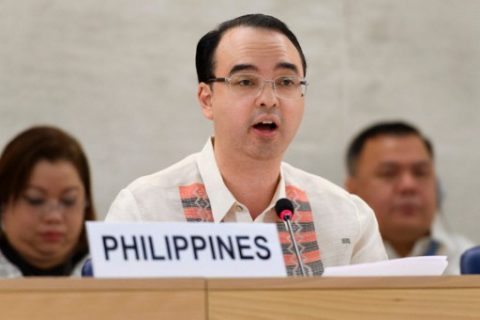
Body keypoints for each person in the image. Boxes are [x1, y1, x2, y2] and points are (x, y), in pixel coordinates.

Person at [106, 13, 387, 276]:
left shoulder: (349, 218)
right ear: (207, 99)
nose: (269, 98)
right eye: (245, 81)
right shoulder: (143, 211)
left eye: (286, 81)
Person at [345, 121, 475, 275]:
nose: (409, 186)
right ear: (352, 190)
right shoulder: (337, 259)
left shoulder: (467, 261)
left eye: (420, 172)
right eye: (389, 173)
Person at [0, 126, 97, 277]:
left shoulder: (112, 271)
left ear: (85, 202)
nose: (54, 217)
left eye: (68, 200)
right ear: (3, 202)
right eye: (35, 200)